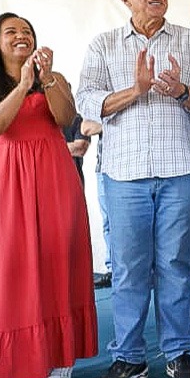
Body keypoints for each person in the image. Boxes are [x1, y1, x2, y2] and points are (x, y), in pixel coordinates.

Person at [76, 0, 190, 378]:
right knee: (129, 268)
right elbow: (87, 103)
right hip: (123, 174)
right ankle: (130, 358)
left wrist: (178, 91)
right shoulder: (103, 45)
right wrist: (135, 91)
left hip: (178, 170)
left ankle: (178, 353)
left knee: (177, 265)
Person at [0, 13, 98, 378]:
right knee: (11, 265)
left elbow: (67, 119)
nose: (21, 37)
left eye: (27, 31)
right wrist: (23, 86)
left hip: (53, 175)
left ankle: (58, 356)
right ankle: (16, 362)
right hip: (8, 178)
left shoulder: (55, 79)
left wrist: (45, 80)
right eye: (11, 32)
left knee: (55, 259)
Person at [80, 119, 112, 289]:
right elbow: (86, 127)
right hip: (104, 167)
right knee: (107, 222)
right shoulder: (105, 101)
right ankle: (112, 268)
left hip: (130, 171)